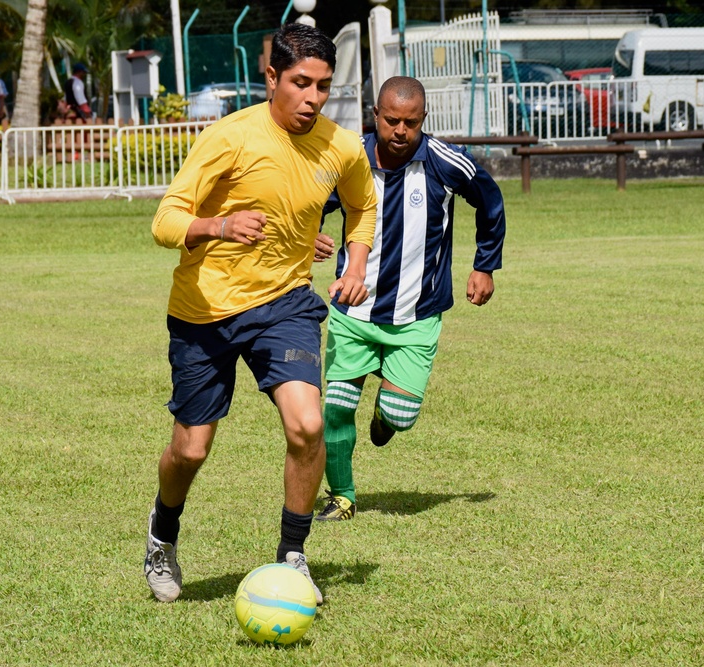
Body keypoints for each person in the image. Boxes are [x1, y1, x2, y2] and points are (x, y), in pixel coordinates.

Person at [145, 22, 378, 604]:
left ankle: (293, 556)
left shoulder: (342, 146)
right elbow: (164, 221)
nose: (313, 98)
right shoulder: (230, 138)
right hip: (206, 312)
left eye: (323, 86)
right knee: (191, 449)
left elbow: (362, 206)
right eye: (301, 83)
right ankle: (161, 536)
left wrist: (355, 264)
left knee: (307, 424)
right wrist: (219, 225)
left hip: (286, 304)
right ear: (271, 77)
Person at [313, 76, 506, 522]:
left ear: (423, 121)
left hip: (417, 314)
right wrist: (310, 239)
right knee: (336, 409)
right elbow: (308, 205)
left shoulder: (445, 162)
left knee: (400, 416)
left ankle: (387, 414)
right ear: (375, 116)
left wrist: (484, 265)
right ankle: (342, 496)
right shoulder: (349, 158)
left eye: (411, 123)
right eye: (392, 120)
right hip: (352, 309)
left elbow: (491, 201)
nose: (400, 131)